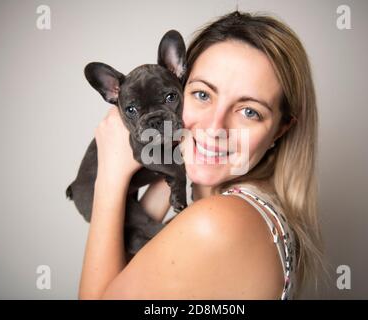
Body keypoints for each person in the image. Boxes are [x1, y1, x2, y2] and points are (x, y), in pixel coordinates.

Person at [78, 10, 323, 300]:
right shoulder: (253, 212)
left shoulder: (216, 222)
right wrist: (167, 172)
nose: (214, 126)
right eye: (203, 94)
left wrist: (110, 174)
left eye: (249, 112)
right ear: (179, 83)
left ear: (280, 130)